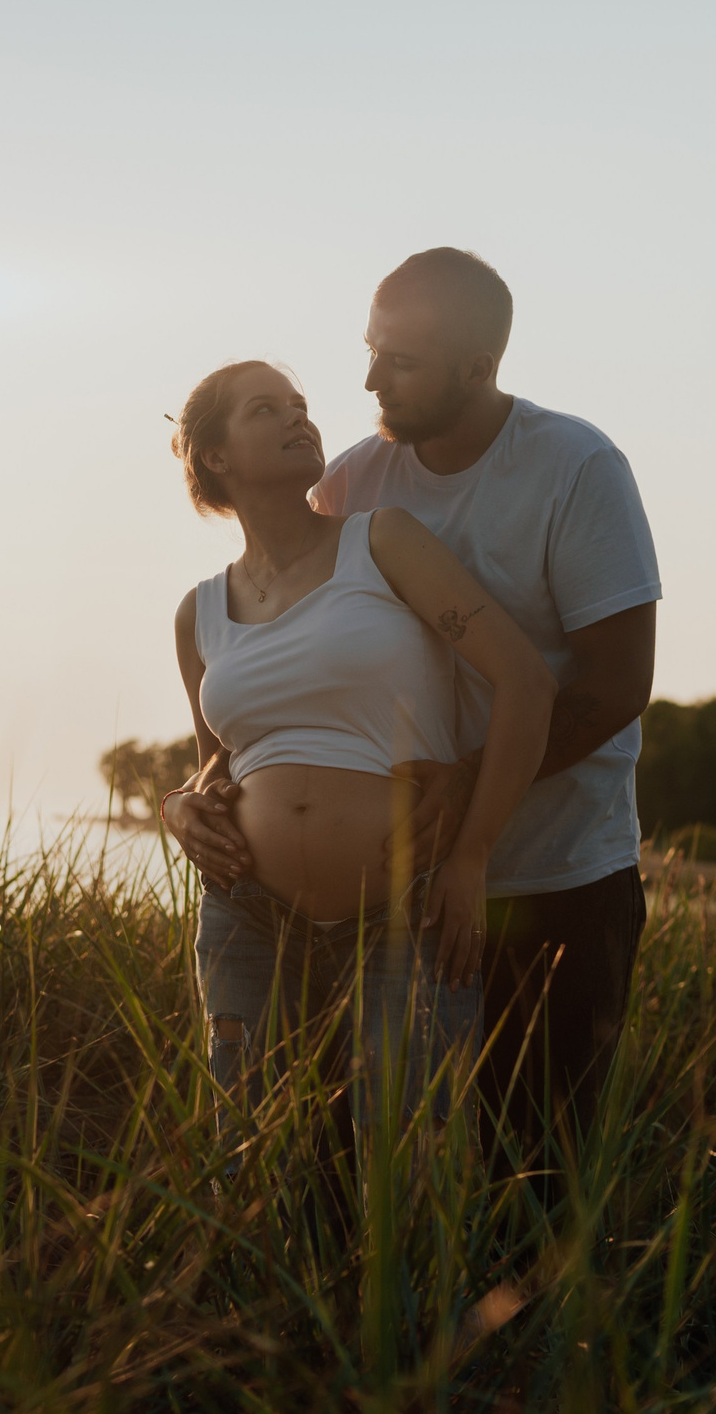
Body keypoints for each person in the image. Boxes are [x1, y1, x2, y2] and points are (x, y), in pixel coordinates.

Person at [166, 250, 661, 1173]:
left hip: (556, 869)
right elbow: (283, 681)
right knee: (339, 1170)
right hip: (401, 896)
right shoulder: (356, 482)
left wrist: (472, 799)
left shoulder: (574, 466)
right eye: (369, 350)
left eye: (400, 361)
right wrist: (188, 792)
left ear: (477, 368)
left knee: (535, 1168)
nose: (364, 381)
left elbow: (617, 684)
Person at [165, 357, 556, 1196]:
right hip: (247, 918)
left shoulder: (382, 542)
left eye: (301, 402)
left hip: (403, 912)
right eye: (265, 408)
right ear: (216, 457)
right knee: (256, 1168)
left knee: (411, 1179)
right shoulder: (198, 611)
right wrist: (177, 805)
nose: (299, 416)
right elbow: (219, 760)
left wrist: (471, 855)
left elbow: (525, 680)